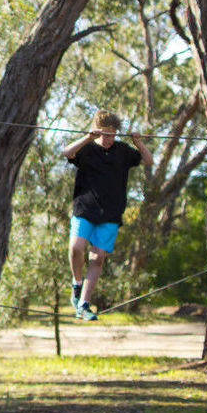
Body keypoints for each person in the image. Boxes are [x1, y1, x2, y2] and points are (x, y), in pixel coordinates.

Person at [61, 109, 153, 321]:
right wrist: (88, 137)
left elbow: (148, 161)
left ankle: (84, 304)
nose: (108, 138)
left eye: (111, 134)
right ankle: (76, 285)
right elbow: (66, 153)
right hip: (84, 208)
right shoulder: (86, 149)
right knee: (76, 248)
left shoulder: (122, 150)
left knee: (98, 258)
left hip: (111, 213)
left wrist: (138, 142)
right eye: (103, 134)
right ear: (96, 131)